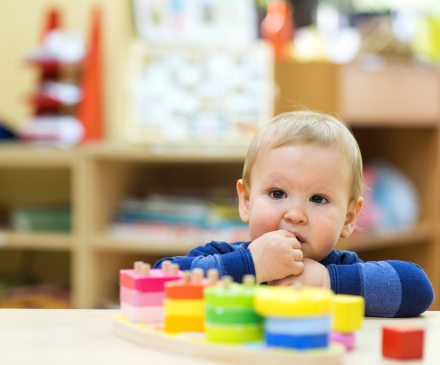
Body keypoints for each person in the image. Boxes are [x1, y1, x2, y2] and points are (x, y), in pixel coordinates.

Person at [154, 111, 434, 317]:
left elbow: (418, 289)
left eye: (318, 199)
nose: (296, 214)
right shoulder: (225, 256)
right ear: (246, 201)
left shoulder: (343, 269)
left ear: (349, 218)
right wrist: (250, 265)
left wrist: (326, 282)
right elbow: (157, 284)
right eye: (277, 194)